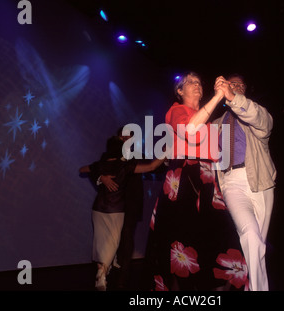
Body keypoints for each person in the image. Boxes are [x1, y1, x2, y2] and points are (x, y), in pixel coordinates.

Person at [145, 71, 248, 291]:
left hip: (208, 177)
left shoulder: (209, 120)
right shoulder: (176, 110)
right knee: (182, 239)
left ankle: (214, 286)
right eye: (190, 82)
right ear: (179, 91)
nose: (197, 85)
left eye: (200, 82)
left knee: (222, 234)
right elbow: (190, 130)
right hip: (184, 178)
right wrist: (218, 96)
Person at [213, 74, 277, 291]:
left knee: (257, 245)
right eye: (231, 84)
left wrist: (232, 96)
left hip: (260, 183)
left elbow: (264, 122)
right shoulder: (218, 124)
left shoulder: (254, 114)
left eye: (240, 85)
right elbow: (192, 136)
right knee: (250, 235)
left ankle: (252, 287)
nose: (235, 87)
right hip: (232, 183)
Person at [79, 135, 164, 291]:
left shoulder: (102, 163)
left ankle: (104, 271)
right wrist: (167, 151)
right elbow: (152, 167)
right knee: (112, 243)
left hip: (99, 209)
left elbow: (82, 169)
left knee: (103, 242)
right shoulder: (124, 165)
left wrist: (100, 175)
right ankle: (103, 271)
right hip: (116, 210)